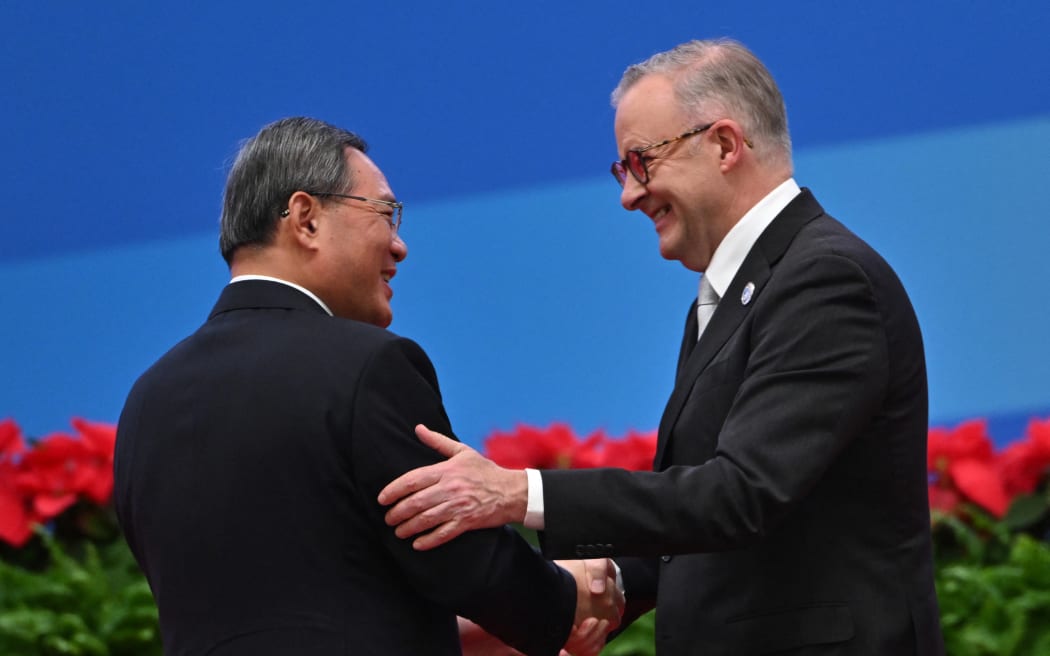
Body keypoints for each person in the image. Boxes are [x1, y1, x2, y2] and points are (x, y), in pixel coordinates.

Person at [378, 39, 945, 655]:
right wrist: (612, 584)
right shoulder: (737, 291)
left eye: (641, 161)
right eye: (623, 171)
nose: (628, 195)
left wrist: (518, 493)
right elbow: (702, 514)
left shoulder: (825, 278)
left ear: (725, 145)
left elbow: (741, 494)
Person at [113, 117, 622, 656]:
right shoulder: (367, 366)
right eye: (385, 214)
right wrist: (570, 596)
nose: (399, 247)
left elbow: (308, 608)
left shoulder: (146, 401)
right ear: (305, 218)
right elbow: (459, 559)